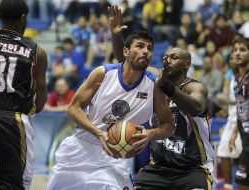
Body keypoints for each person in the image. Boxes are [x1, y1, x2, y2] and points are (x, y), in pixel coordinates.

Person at [46, 31, 174, 189]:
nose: (145, 51)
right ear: (125, 51)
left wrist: (150, 134)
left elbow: (168, 126)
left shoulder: (154, 86)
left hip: (115, 155)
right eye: (140, 46)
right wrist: (99, 133)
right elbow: (73, 109)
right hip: (81, 147)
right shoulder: (103, 73)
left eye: (149, 48)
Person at [108, 5, 215, 190]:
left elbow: (197, 107)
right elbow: (124, 61)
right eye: (165, 57)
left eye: (174, 57)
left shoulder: (194, 87)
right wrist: (116, 35)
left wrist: (167, 87)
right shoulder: (154, 79)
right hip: (158, 168)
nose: (167, 60)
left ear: (187, 63)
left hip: (193, 169)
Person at [0, 0, 48, 190]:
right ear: (24, 18)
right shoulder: (36, 51)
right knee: (13, 185)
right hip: (13, 122)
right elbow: (40, 98)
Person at [216, 53, 242, 190]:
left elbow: (244, 101)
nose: (233, 60)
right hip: (232, 120)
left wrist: (228, 102)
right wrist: (227, 109)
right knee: (223, 151)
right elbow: (236, 103)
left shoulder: (245, 77)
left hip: (243, 122)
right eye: (231, 58)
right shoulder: (232, 77)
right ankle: (228, 185)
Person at [229, 35, 249, 190]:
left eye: (242, 50)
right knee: (242, 181)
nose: (237, 53)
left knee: (241, 181)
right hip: (244, 136)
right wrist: (235, 131)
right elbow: (241, 108)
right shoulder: (237, 79)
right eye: (235, 50)